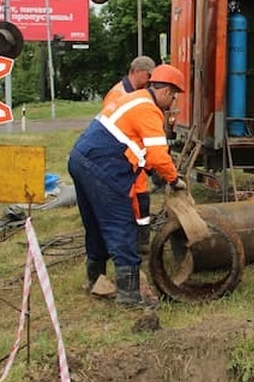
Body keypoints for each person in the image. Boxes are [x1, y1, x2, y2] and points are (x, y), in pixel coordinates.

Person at [68, 64, 187, 307]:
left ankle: (96, 279)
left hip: (80, 159)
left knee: (95, 224)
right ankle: (129, 296)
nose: (173, 101)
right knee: (120, 224)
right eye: (174, 95)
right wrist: (174, 179)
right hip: (104, 167)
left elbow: (138, 147)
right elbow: (158, 156)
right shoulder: (149, 109)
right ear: (164, 91)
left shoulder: (133, 98)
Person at [103, 55, 157, 259]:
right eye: (148, 75)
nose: (150, 81)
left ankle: (142, 242)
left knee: (142, 200)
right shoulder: (118, 94)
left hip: (136, 160)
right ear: (136, 71)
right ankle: (126, 245)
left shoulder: (137, 94)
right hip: (122, 160)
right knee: (125, 203)